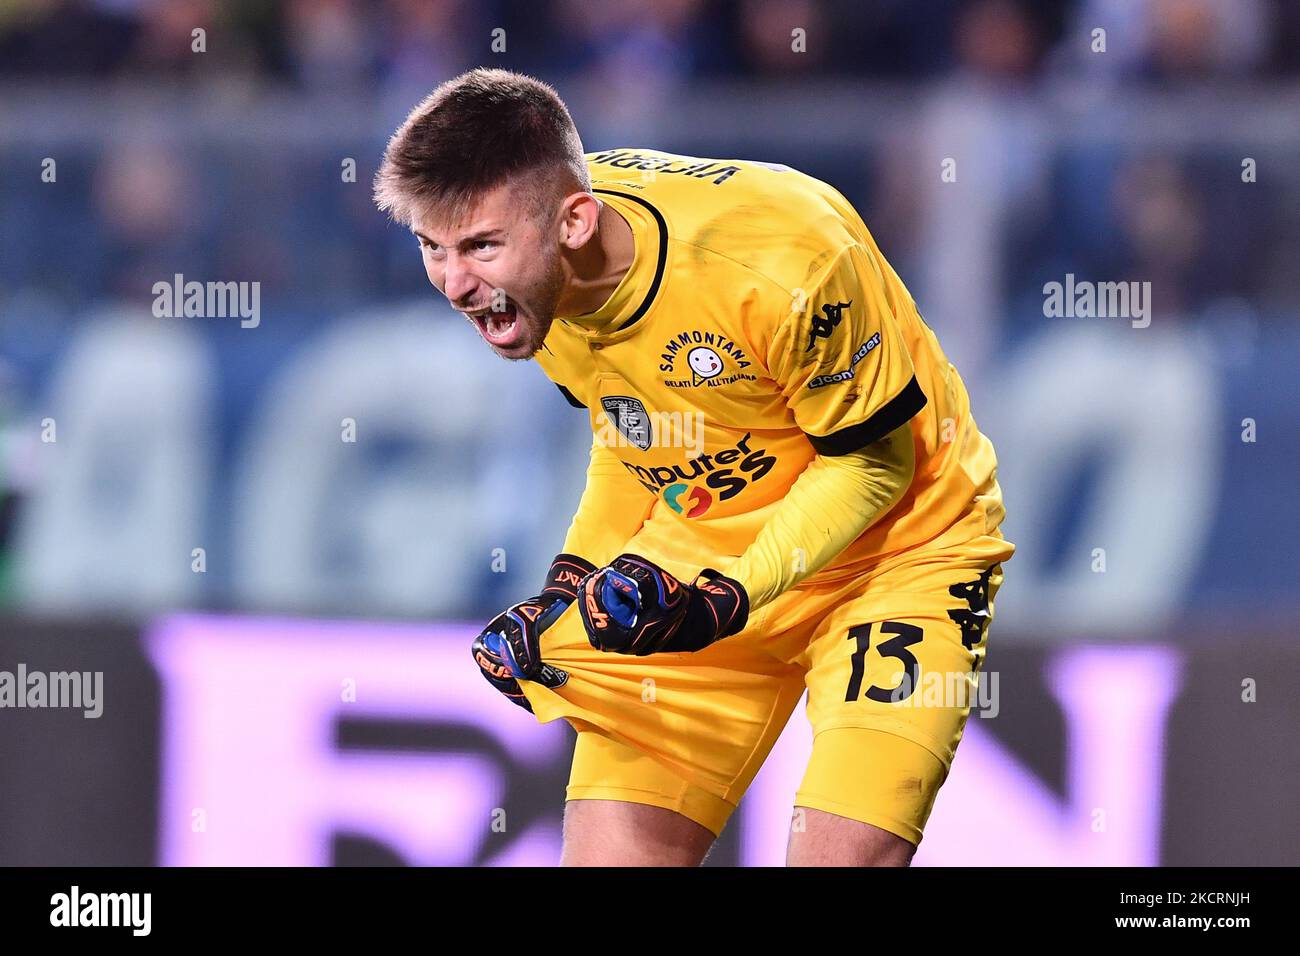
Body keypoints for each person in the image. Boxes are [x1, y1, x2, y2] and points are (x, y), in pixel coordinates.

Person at [374, 68, 1013, 866]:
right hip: (705, 558)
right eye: (432, 248)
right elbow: (632, 434)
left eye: (478, 248)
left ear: (575, 221)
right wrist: (567, 588)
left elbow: (871, 471)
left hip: (900, 551)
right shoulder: (536, 276)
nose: (456, 284)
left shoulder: (787, 261)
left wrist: (724, 600)